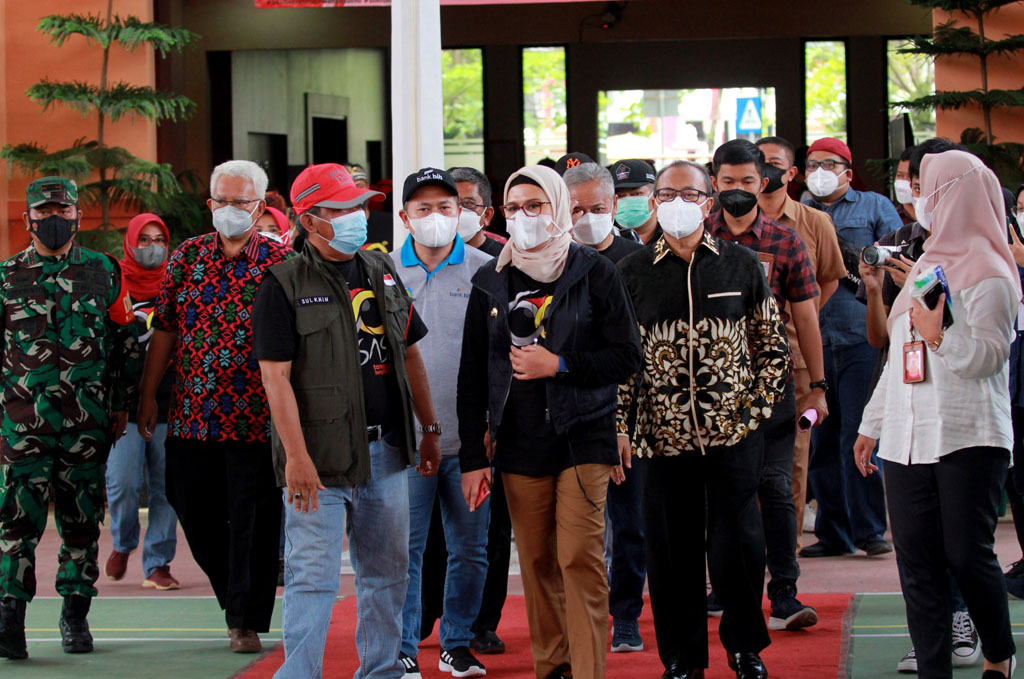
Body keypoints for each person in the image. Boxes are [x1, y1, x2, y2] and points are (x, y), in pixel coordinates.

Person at [255, 162, 440, 679]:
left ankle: (381, 671)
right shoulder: (283, 283)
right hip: (319, 461)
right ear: (309, 219)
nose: (357, 217)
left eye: (359, 206)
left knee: (387, 574)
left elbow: (409, 354)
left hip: (387, 454)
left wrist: (428, 430)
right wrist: (295, 458)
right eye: (341, 209)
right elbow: (276, 380)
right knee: (312, 578)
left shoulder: (380, 267)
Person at [458, 165, 641, 679]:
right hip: (518, 440)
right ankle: (553, 668)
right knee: (537, 564)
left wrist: (558, 364)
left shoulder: (593, 270)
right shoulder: (491, 278)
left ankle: (587, 670)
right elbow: (473, 374)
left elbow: (627, 356)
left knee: (579, 557)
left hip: (585, 433)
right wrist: (474, 456)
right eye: (514, 208)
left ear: (557, 208)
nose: (524, 217)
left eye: (535, 206)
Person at [618, 159, 789, 679]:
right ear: (653, 203)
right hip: (661, 441)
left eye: (689, 194)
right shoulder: (630, 273)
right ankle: (682, 658)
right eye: (667, 194)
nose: (677, 203)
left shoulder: (740, 265)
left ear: (708, 203)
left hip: (732, 437)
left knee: (739, 546)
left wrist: (751, 414)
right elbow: (622, 362)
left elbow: (771, 349)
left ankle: (745, 648)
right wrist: (622, 426)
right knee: (671, 553)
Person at [854, 149, 1019, 679]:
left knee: (966, 556)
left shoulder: (991, 272)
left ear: (957, 195)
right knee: (917, 564)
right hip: (906, 438)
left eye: (928, 189)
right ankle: (933, 671)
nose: (919, 199)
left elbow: (990, 358)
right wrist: (870, 425)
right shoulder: (925, 268)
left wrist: (941, 335)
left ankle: (998, 649)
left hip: (967, 434)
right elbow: (901, 357)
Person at [138, 160, 293, 654]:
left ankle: (245, 618)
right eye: (222, 201)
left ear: (261, 206)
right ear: (210, 205)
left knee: (253, 521)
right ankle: (234, 597)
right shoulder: (187, 257)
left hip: (257, 417)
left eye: (241, 201)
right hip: (191, 414)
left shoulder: (282, 263)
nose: (231, 210)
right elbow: (164, 328)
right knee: (191, 505)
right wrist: (147, 393)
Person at [0, 177, 139, 659]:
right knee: (17, 524)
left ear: (78, 216)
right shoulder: (7, 277)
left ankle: (75, 614)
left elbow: (124, 342)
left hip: (87, 423)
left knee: (81, 523)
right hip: (22, 426)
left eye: (62, 210)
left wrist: (122, 403)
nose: (53, 219)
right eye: (44, 211)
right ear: (28, 219)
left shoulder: (104, 271)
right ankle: (9, 618)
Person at [703, 140, 825, 633]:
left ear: (765, 182)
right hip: (709, 391)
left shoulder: (784, 240)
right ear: (714, 183)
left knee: (774, 488)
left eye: (747, 182)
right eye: (727, 182)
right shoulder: (693, 238)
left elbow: (807, 317)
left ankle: (785, 594)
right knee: (720, 492)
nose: (737, 191)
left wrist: (817, 386)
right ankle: (725, 588)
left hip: (772, 384)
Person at [387, 167, 494, 679]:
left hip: (470, 443)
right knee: (404, 550)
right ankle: (404, 646)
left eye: (446, 207)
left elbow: (500, 357)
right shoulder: (382, 272)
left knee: (470, 549)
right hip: (405, 443)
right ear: (406, 217)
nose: (436, 217)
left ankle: (456, 642)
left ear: (463, 214)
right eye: (423, 209)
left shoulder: (487, 268)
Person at [801, 136, 901, 558]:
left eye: (828, 164)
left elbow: (899, 260)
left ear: (847, 169)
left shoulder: (875, 207)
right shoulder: (800, 215)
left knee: (860, 435)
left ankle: (870, 530)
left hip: (861, 338)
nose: (819, 172)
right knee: (820, 440)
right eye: (811, 165)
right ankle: (833, 533)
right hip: (813, 345)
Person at [563, 162, 644, 653]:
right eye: (577, 209)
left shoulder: (639, 261)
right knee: (576, 529)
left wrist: (625, 423)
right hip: (569, 412)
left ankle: (626, 614)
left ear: (614, 207)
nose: (588, 217)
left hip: (629, 414)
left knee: (629, 522)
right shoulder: (548, 262)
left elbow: (642, 352)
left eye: (597, 208)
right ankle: (574, 615)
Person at [755, 136, 846, 551]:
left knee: (790, 467)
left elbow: (829, 278)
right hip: (735, 363)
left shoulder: (813, 223)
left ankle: (784, 566)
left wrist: (798, 313)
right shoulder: (724, 223)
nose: (764, 170)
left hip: (796, 360)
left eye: (773, 163)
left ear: (792, 173)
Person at [104, 213, 180, 592]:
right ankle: (122, 542)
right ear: (130, 244)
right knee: (123, 482)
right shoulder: (110, 280)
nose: (153, 247)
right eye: (145, 240)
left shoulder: (177, 281)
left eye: (159, 239)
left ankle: (158, 562)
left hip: (170, 401)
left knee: (167, 486)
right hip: (125, 404)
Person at [450, 167, 505, 257]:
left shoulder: (506, 260)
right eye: (449, 204)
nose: (458, 211)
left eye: (468, 203)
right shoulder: (429, 260)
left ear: (487, 215)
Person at [611, 159, 660, 244]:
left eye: (636, 194)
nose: (627, 201)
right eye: (620, 196)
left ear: (654, 195)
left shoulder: (671, 236)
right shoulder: (604, 240)